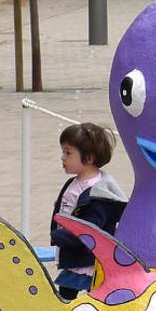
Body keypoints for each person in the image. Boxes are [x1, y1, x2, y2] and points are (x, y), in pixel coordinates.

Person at [50, 123, 128, 301]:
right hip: (75, 257)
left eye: (68, 153)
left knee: (89, 300)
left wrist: (58, 237)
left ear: (89, 157)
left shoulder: (99, 194)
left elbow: (90, 231)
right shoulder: (74, 183)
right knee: (66, 299)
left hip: (89, 261)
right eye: (63, 152)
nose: (63, 157)